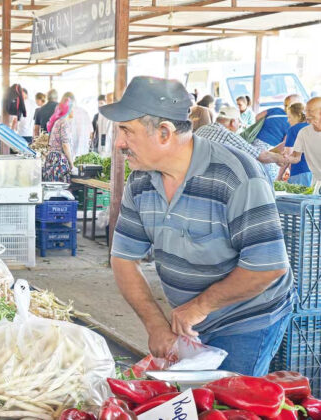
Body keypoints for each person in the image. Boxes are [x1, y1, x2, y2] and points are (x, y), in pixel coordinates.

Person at [103, 76, 294, 376]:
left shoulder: (237, 174)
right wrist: (156, 326)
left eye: (126, 130)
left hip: (247, 318)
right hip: (187, 320)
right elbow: (123, 259)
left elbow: (269, 266)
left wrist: (201, 306)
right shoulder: (140, 180)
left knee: (228, 402)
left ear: (165, 132)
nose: (119, 143)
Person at [195, 106, 284, 181]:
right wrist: (279, 158)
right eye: (239, 121)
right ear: (233, 122)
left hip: (194, 176)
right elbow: (261, 156)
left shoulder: (201, 129)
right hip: (211, 179)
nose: (240, 124)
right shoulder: (228, 135)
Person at [284, 97, 321, 187]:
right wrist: (285, 158)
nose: (306, 114)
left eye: (310, 110)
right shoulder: (303, 132)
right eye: (306, 111)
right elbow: (296, 157)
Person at [280, 103, 312, 186]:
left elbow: (288, 155)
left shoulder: (293, 129)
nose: (288, 120)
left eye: (289, 117)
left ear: (298, 115)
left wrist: (279, 177)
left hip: (300, 172)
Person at [42, 100, 74, 183]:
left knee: (52, 192)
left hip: (51, 159)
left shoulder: (57, 122)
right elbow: (65, 145)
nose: (74, 111)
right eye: (72, 109)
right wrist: (72, 164)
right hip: (59, 162)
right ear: (68, 110)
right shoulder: (64, 123)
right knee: (60, 192)